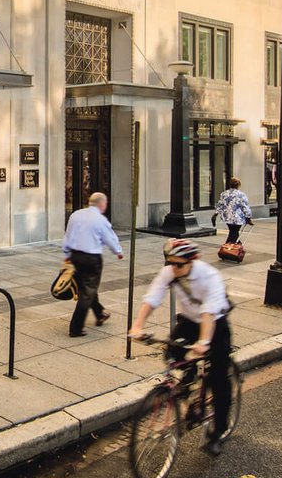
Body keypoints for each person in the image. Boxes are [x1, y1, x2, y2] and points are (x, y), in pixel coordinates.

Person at [126, 239, 233, 456]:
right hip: (188, 322)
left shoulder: (209, 276)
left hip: (215, 324)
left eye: (179, 265)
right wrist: (137, 326)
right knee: (172, 353)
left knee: (219, 379)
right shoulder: (170, 272)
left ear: (193, 261)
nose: (174, 269)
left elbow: (209, 313)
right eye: (171, 263)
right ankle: (186, 386)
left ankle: (218, 432)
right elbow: (152, 298)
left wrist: (203, 343)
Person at [61, 191, 124, 336]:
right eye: (105, 204)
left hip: (75, 256)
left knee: (86, 287)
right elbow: (110, 237)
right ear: (101, 204)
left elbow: (68, 235)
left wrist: (66, 254)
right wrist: (118, 251)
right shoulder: (100, 219)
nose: (105, 206)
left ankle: (100, 313)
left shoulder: (76, 215)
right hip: (92, 258)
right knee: (87, 292)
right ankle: (75, 328)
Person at [216, 176, 253, 245]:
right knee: (234, 233)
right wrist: (248, 218)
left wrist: (216, 214)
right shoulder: (241, 195)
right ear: (238, 185)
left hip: (227, 217)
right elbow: (245, 207)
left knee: (233, 232)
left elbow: (220, 204)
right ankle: (228, 248)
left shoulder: (224, 193)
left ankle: (236, 245)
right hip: (237, 218)